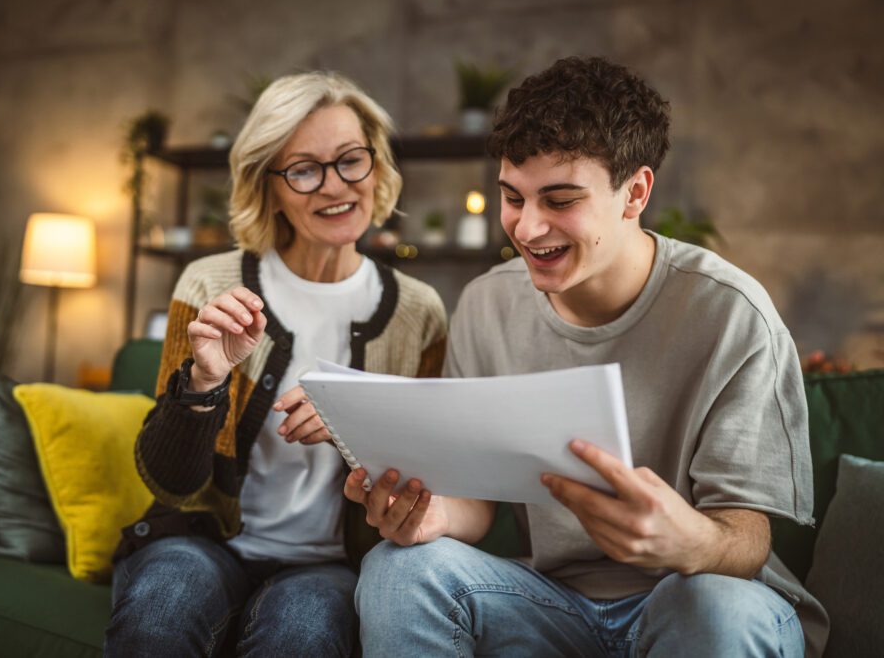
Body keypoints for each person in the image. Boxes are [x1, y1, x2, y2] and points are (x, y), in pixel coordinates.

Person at [348, 56, 828, 657]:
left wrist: (687, 542)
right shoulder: (486, 305)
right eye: (512, 198)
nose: (526, 228)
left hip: (698, 595)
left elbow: (747, 540)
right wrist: (432, 517)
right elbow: (476, 501)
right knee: (400, 568)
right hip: (551, 601)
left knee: (711, 604)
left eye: (560, 199)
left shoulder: (731, 313)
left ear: (635, 193)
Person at [104, 71, 448, 657]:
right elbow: (169, 479)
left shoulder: (420, 312)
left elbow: (428, 475)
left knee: (303, 633)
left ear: (376, 165)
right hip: (206, 541)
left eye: (350, 160)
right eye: (305, 169)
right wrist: (206, 382)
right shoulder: (209, 283)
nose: (335, 186)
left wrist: (353, 422)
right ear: (270, 186)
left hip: (330, 564)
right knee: (162, 605)